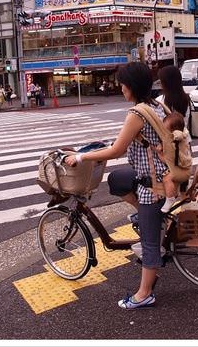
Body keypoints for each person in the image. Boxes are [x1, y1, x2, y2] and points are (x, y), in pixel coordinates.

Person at [65, 62, 171, 310]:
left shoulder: (137, 114)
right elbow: (122, 141)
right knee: (117, 180)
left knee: (150, 242)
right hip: (164, 177)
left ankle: (144, 294)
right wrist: (89, 149)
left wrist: (81, 158)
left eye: (123, 84)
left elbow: (117, 150)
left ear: (131, 86)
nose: (120, 88)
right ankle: (151, 219)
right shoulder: (157, 105)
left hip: (153, 186)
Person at [156, 111, 186, 213]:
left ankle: (170, 198)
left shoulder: (174, 144)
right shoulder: (181, 140)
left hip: (179, 170)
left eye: (166, 130)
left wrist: (159, 154)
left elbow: (168, 161)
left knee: (166, 179)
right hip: (183, 169)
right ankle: (174, 193)